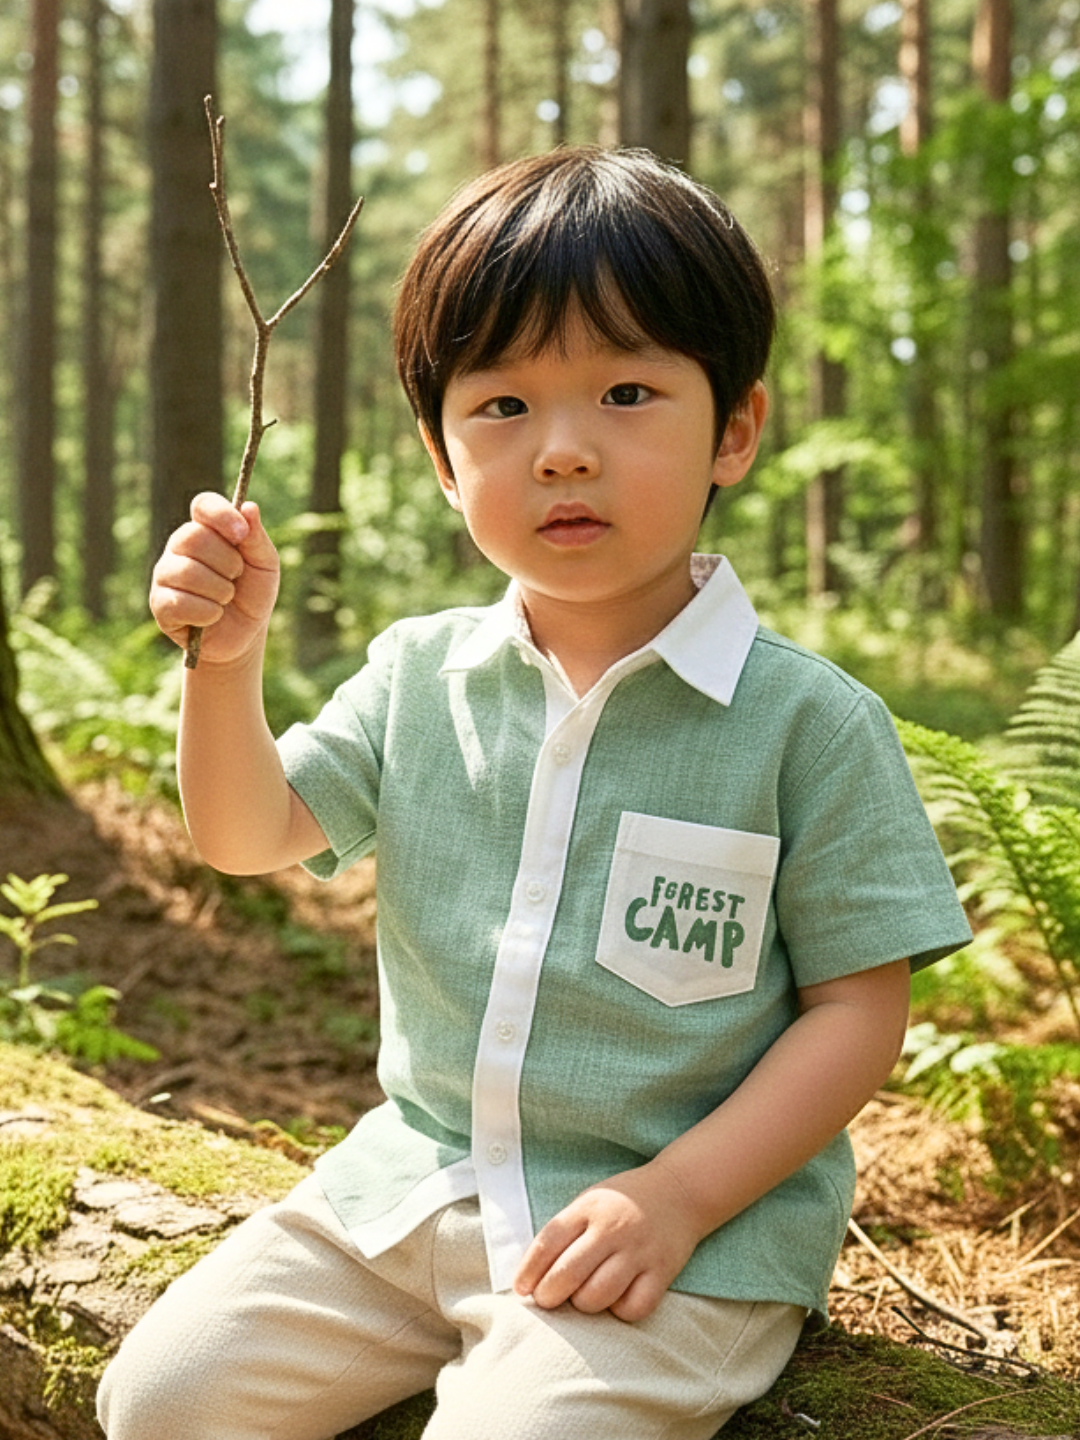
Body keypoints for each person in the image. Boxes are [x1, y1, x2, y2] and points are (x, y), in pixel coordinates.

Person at [98, 146, 971, 1440]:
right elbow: (245, 835)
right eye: (501, 407)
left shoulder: (806, 726)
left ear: (734, 427)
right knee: (156, 1398)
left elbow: (857, 1010)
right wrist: (224, 670)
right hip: (411, 1193)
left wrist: (674, 1196)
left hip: (676, 1242)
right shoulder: (418, 678)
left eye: (626, 392)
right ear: (444, 461)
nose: (562, 452)